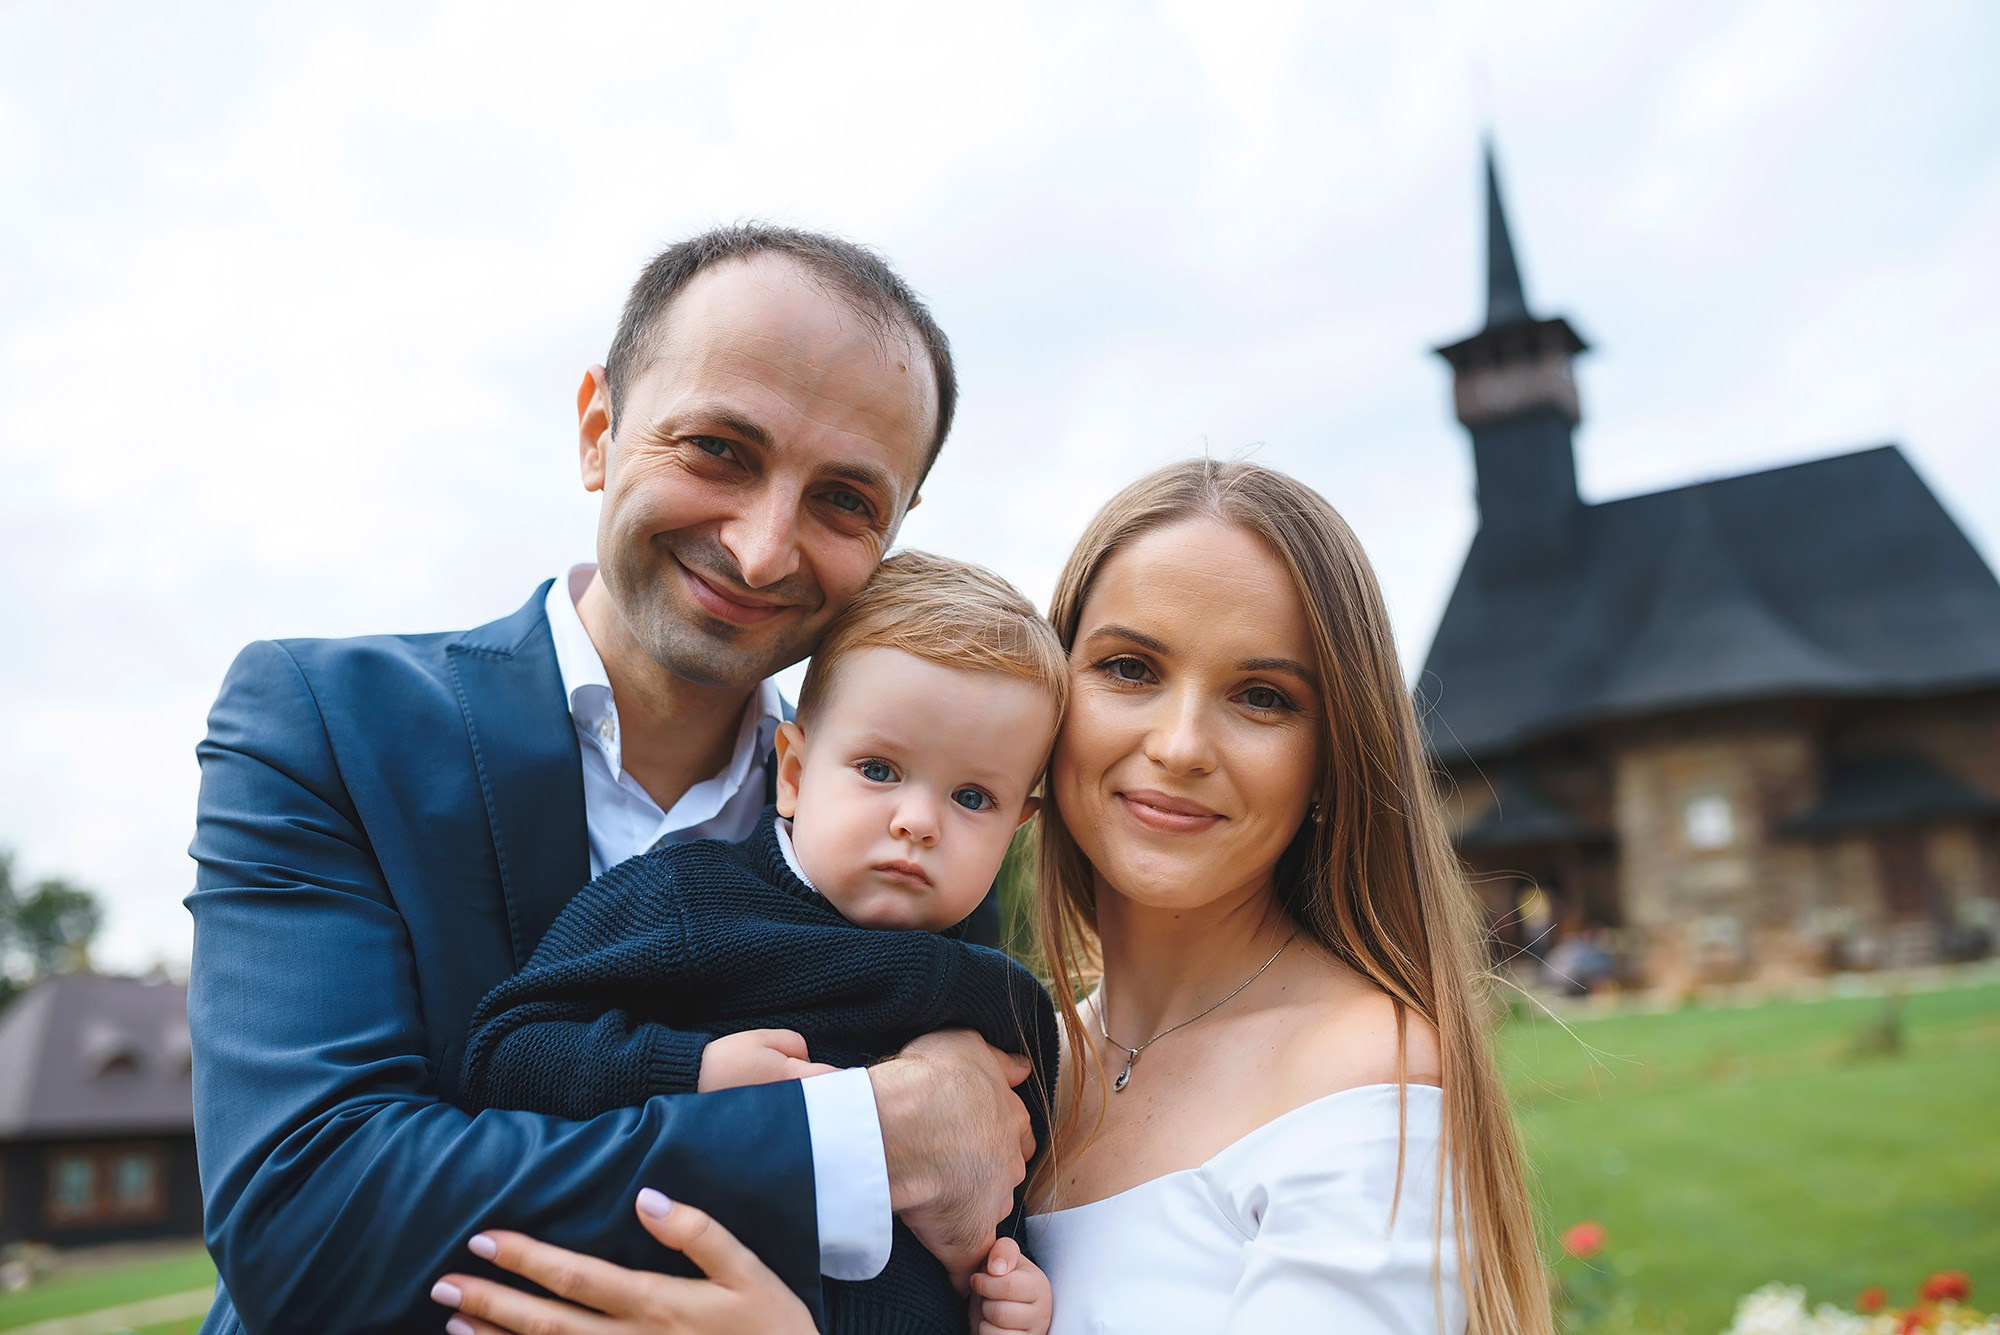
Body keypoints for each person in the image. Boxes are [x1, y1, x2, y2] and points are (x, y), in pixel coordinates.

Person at [432, 460, 1552, 1335]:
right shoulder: (1018, 1048)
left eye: (1261, 697)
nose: (1178, 744)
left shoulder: (1359, 1072)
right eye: (1128, 669)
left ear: (1329, 759)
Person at [187, 227, 1036, 1334]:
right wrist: (854, 1142)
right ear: (598, 430)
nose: (763, 547)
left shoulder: (899, 837)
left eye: (843, 501)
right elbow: (310, 1223)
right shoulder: (324, 722)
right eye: (719, 450)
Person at [454, 551, 1066, 1335]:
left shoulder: (1007, 1010)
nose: (919, 819)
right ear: (795, 772)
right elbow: (505, 1054)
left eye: (972, 796)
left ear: (1017, 828)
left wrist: (1007, 1287)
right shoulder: (688, 900)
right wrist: (693, 1072)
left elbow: (997, 1200)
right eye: (879, 769)